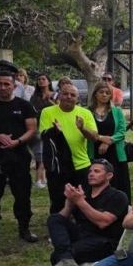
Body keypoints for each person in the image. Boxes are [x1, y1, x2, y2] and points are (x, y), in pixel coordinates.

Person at [41, 159, 130, 266]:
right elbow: (62, 218)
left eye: (97, 171)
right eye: (90, 171)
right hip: (81, 237)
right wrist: (70, 203)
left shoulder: (118, 196)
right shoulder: (84, 194)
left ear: (109, 176)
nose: (91, 174)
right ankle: (66, 258)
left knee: (57, 256)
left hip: (104, 243)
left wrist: (80, 202)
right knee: (54, 219)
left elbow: (103, 222)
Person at [0, 71, 39, 243]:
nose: (2, 87)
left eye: (6, 84)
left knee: (22, 192)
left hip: (19, 154)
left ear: (14, 86)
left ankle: (24, 228)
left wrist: (18, 141)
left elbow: (32, 129)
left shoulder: (24, 106)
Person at [39, 82, 99, 214]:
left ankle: (82, 225)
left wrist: (82, 128)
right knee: (58, 202)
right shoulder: (47, 112)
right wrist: (55, 131)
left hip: (81, 164)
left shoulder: (85, 113)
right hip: (58, 167)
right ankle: (58, 224)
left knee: (83, 202)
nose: (69, 97)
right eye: (65, 94)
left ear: (77, 98)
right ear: (59, 95)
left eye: (72, 95)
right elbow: (44, 136)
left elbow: (94, 137)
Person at [87, 81, 131, 202]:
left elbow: (122, 131)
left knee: (118, 182)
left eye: (107, 93)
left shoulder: (117, 111)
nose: (104, 95)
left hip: (115, 153)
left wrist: (108, 141)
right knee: (96, 182)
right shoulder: (87, 111)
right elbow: (86, 130)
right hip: (94, 151)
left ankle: (121, 207)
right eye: (101, 92)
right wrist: (100, 138)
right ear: (95, 94)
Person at [30, 73, 55, 188]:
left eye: (43, 79)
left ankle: (42, 179)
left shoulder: (55, 95)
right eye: (39, 79)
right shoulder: (35, 97)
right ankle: (39, 179)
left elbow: (60, 108)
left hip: (51, 126)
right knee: (40, 153)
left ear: (48, 81)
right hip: (37, 127)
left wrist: (51, 103)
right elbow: (30, 111)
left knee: (47, 152)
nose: (41, 81)